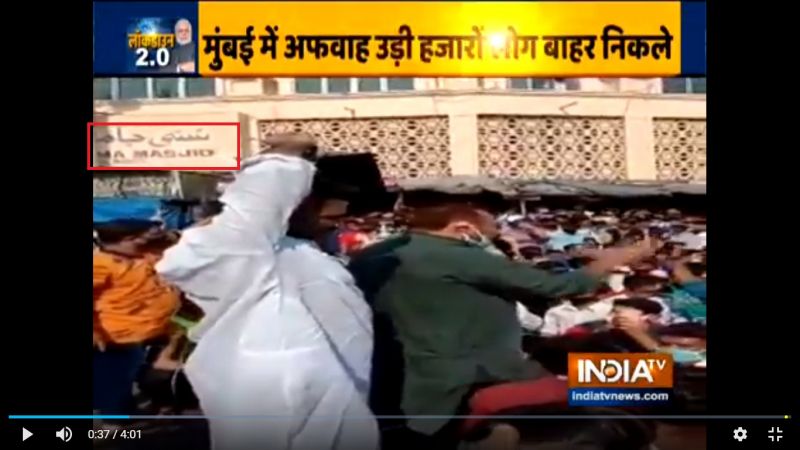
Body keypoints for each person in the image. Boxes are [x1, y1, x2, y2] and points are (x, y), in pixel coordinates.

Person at [348, 203, 658, 449]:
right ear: (463, 228)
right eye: (492, 234)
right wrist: (616, 258)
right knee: (650, 381)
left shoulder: (371, 255)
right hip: (479, 372)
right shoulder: (456, 254)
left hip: (400, 377)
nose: (493, 243)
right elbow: (555, 286)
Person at [156, 134, 378, 450]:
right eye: (324, 203)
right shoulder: (235, 251)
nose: (339, 217)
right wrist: (286, 157)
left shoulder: (302, 252)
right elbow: (250, 214)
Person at [93, 219, 180, 417]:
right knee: (114, 383)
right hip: (118, 337)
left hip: (156, 331)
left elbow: (184, 238)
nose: (154, 234)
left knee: (147, 372)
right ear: (129, 239)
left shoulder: (146, 255)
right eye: (145, 234)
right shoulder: (101, 264)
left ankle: (154, 403)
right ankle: (113, 426)